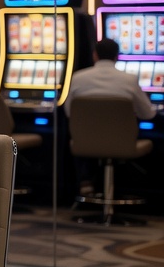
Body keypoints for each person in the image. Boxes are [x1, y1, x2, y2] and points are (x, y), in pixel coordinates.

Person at [63, 37, 155, 196]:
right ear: (117, 56)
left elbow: (69, 112)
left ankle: (87, 183)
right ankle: (132, 190)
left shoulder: (78, 77)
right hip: (123, 143)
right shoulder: (129, 80)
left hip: (85, 142)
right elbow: (148, 114)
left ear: (95, 55)